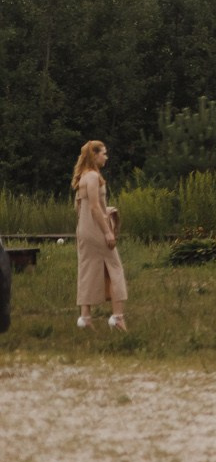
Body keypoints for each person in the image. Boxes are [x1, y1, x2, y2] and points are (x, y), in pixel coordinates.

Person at [71, 140, 127, 330]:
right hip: (96, 229)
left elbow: (82, 207)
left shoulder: (83, 177)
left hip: (84, 229)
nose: (106, 156)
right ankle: (117, 317)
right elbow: (95, 207)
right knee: (115, 269)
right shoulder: (93, 177)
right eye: (103, 153)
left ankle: (85, 318)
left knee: (87, 270)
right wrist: (107, 232)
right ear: (94, 155)